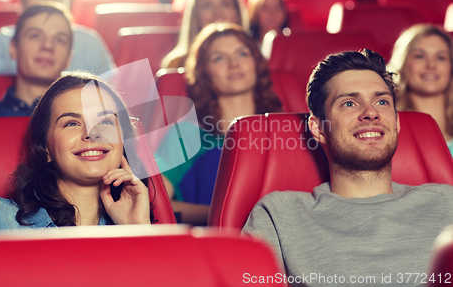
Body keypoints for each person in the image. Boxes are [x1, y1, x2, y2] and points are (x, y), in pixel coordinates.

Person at [243, 49, 453, 286]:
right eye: (350, 103)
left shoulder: (447, 201)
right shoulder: (279, 215)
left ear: (396, 122)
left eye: (382, 101)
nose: (371, 113)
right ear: (319, 128)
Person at [0, 72, 152, 234]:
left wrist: (138, 232)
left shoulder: (137, 225)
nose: (91, 134)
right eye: (71, 123)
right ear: (46, 148)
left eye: (105, 122)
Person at [156, 23, 282, 225]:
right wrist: (226, 216)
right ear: (204, 73)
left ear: (256, 63)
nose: (234, 64)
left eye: (242, 54)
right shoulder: (185, 135)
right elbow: (155, 205)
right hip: (212, 243)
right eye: (219, 58)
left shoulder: (288, 129)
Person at [0, 3, 72, 119]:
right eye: (35, 36)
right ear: (13, 48)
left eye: (60, 40)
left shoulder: (87, 124)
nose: (48, 45)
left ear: (68, 57)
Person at [387, 24, 453, 154]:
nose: (431, 65)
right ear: (403, 63)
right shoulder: (387, 128)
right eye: (419, 56)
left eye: (441, 57)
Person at [160, 0, 249, 69]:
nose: (217, 12)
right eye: (207, 5)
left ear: (237, 12)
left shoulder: (255, 56)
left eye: (225, 4)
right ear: (195, 16)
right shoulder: (176, 64)